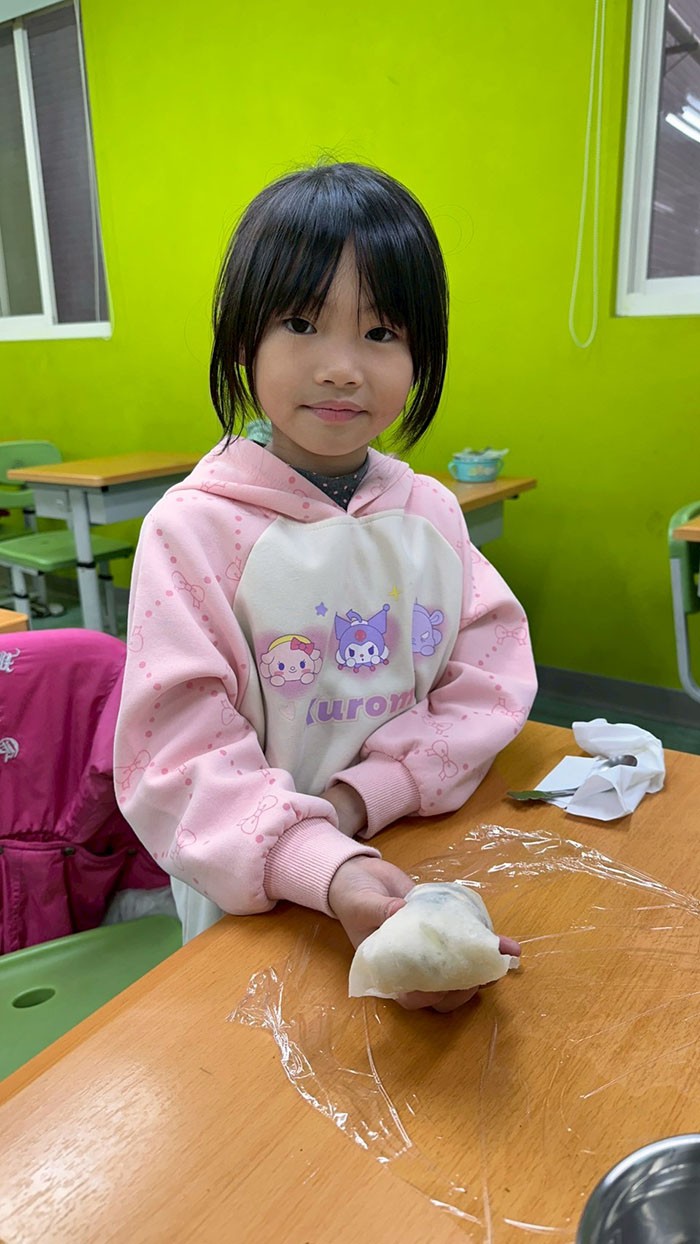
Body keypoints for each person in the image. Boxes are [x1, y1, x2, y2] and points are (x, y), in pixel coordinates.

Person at [114, 161, 538, 1011]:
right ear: (243, 340)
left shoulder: (430, 514)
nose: (342, 367)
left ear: (422, 353)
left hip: (421, 847)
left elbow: (490, 681)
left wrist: (363, 797)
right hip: (262, 893)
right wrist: (321, 859)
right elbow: (178, 756)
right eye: (303, 323)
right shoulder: (192, 531)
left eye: (381, 333)